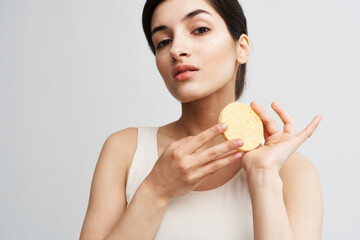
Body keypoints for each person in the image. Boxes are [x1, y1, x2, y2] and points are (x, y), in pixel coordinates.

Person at [79, 0, 323, 239]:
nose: (176, 50)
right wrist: (156, 189)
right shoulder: (125, 150)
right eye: (163, 42)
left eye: (200, 29)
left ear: (242, 48)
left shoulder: (292, 171)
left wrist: (263, 175)